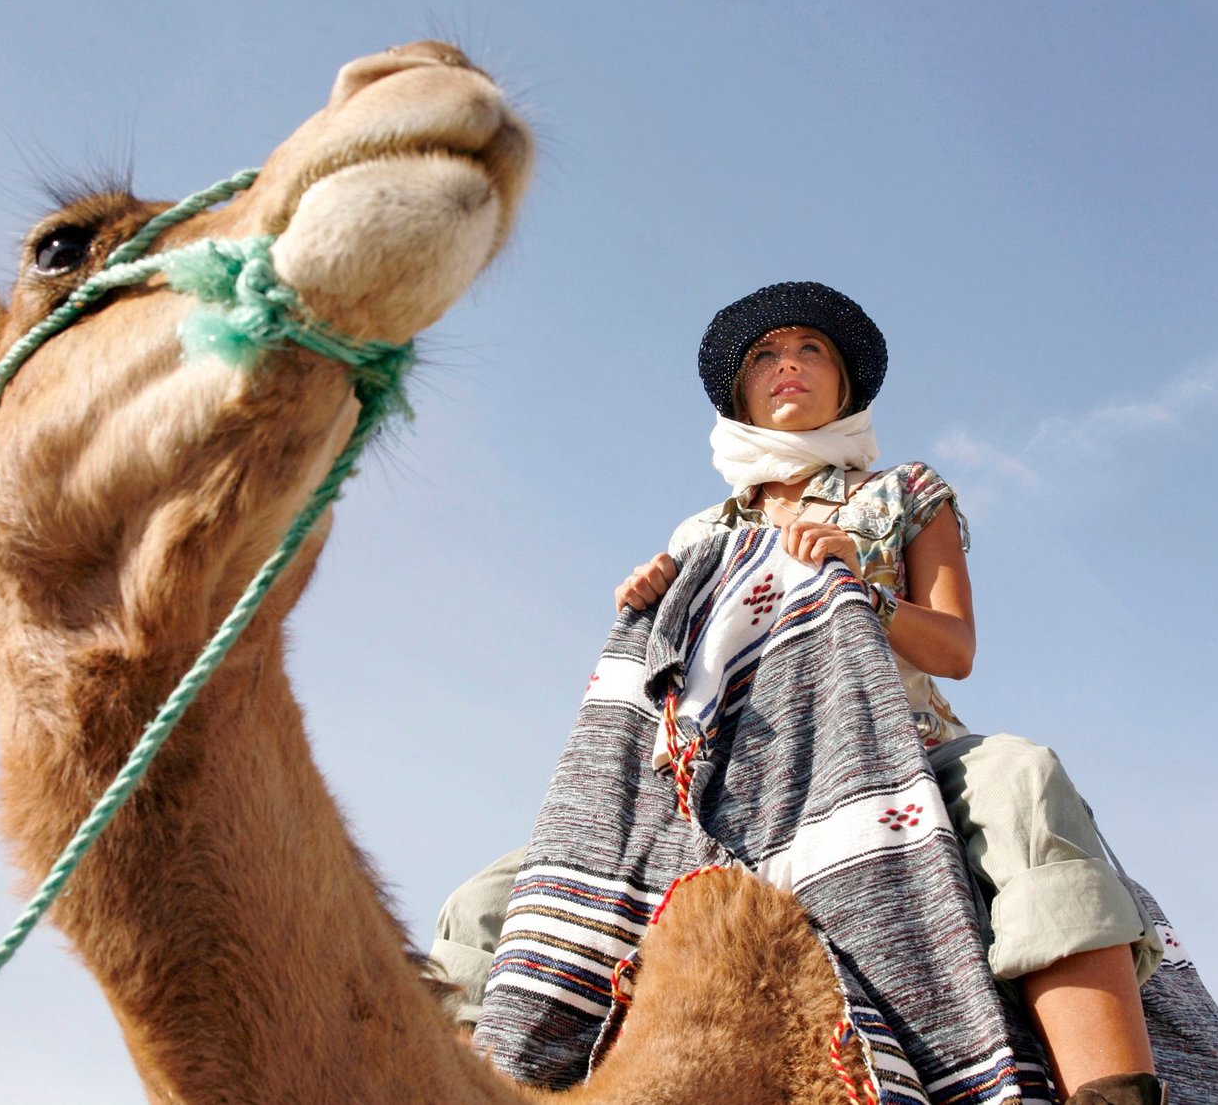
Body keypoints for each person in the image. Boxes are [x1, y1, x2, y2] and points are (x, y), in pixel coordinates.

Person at [437, 283, 1166, 1105]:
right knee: (485, 904)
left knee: (1021, 777)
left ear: (842, 383)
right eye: (766, 355)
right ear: (742, 393)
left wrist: (859, 587)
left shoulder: (904, 491)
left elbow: (955, 648)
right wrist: (647, 610)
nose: (788, 363)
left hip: (897, 750)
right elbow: (672, 689)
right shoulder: (699, 535)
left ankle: (1109, 1092)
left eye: (809, 348)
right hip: (719, 785)